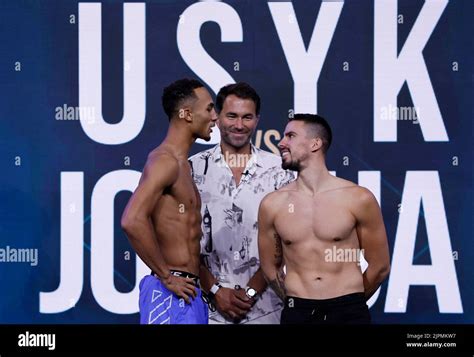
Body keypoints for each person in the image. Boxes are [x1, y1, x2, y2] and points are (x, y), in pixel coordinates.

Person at [258, 113, 390, 324]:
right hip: (298, 311)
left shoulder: (357, 198)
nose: (281, 143)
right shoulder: (272, 204)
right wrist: (297, 305)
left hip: (348, 311)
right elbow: (269, 267)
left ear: (315, 143)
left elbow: (380, 266)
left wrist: (351, 302)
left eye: (290, 136)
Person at [189, 82, 295, 324]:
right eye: (232, 116)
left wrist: (249, 293)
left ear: (257, 120)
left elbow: (288, 238)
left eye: (247, 117)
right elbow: (181, 241)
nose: (239, 125)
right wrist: (216, 291)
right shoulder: (191, 169)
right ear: (216, 117)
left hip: (268, 310)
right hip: (206, 310)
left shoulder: (280, 171)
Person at [121, 78, 218, 324]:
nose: (215, 116)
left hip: (189, 293)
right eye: (208, 108)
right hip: (169, 292)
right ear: (186, 113)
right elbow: (131, 220)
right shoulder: (165, 161)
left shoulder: (183, 165)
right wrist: (166, 277)